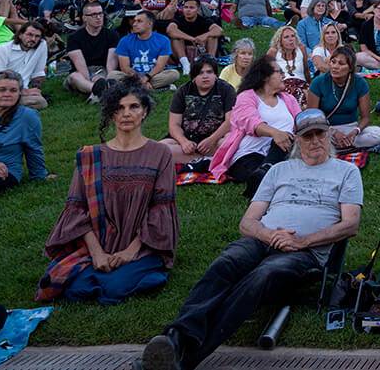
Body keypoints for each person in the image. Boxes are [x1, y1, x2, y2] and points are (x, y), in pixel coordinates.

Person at [139, 108, 363, 370]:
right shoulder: (279, 170)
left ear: (329, 135)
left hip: (305, 251)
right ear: (297, 139)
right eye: (307, 136)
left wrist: (302, 242)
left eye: (320, 134)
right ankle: (175, 337)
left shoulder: (346, 172)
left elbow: (350, 224)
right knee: (226, 262)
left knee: (262, 275)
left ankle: (188, 357)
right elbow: (247, 222)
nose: (315, 141)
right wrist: (270, 235)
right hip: (262, 239)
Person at [38, 81, 178, 303]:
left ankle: (144, 270)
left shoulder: (160, 153)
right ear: (112, 115)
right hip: (98, 242)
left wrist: (130, 251)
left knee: (113, 288)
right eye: (119, 108)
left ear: (144, 112)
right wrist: (97, 253)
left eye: (133, 107)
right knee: (74, 289)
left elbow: (159, 209)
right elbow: (77, 210)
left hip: (143, 243)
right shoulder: (89, 156)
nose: (126, 113)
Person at [209, 57, 299, 193]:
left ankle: (266, 173)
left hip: (283, 151)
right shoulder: (246, 97)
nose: (283, 75)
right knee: (264, 170)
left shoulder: (288, 99)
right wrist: (275, 133)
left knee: (285, 143)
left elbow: (301, 123)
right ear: (265, 76)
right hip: (250, 155)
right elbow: (250, 121)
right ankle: (266, 176)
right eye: (279, 72)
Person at [306, 46, 380, 151]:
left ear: (350, 68)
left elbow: (366, 118)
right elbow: (312, 117)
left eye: (341, 64)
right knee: (312, 139)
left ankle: (344, 143)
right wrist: (333, 132)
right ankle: (346, 145)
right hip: (325, 129)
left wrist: (355, 131)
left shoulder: (360, 83)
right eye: (333, 62)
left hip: (351, 128)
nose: (335, 66)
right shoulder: (318, 82)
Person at [0, 70, 48, 194]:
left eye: (13, 90)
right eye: (2, 90)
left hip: (3, 170)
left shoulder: (27, 117)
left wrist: (39, 175)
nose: (7, 94)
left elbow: (33, 147)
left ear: (19, 94)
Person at [163, 57, 237, 167]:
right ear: (193, 77)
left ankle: (195, 160)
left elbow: (230, 121)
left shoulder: (226, 90)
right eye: (200, 73)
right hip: (188, 142)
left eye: (209, 72)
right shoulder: (183, 91)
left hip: (216, 141)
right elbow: (174, 124)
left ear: (215, 75)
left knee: (230, 140)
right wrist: (184, 142)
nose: (205, 76)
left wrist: (211, 140)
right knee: (161, 147)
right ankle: (205, 160)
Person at [0, 18, 50, 109]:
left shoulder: (41, 45)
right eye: (29, 35)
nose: (33, 39)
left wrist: (36, 89)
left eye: (37, 36)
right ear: (20, 35)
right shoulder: (2, 50)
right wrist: (24, 92)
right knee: (38, 102)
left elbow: (38, 73)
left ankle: (4, 107)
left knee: (41, 102)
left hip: (18, 91)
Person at [108, 11, 180, 90]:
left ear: (149, 24)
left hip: (153, 75)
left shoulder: (163, 40)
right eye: (135, 21)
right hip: (132, 76)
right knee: (112, 75)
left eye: (139, 21)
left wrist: (146, 78)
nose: (134, 24)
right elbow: (125, 67)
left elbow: (160, 66)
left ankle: (133, 87)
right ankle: (154, 87)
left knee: (174, 74)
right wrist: (140, 80)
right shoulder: (124, 40)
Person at [63, 2, 119, 101]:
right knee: (75, 77)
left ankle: (98, 92)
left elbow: (111, 63)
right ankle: (98, 90)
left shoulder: (112, 35)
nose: (98, 17)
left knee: (101, 78)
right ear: (84, 18)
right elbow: (79, 63)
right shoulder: (74, 37)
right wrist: (90, 79)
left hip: (102, 70)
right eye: (93, 15)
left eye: (100, 13)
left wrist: (108, 77)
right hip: (81, 72)